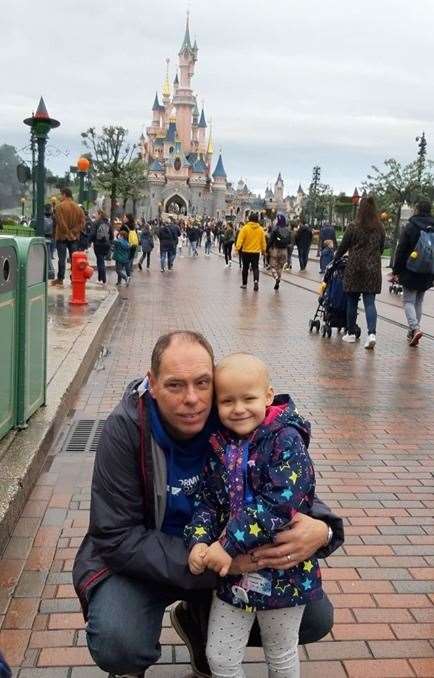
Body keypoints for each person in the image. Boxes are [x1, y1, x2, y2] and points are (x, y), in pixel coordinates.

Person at [73, 331, 343, 678]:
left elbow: (286, 483)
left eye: (202, 383)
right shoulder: (126, 429)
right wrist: (222, 563)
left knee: (313, 617)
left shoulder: (230, 414)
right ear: (151, 383)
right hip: (149, 561)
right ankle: (138, 654)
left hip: (219, 554)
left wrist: (323, 529)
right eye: (175, 385)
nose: (192, 399)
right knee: (118, 641)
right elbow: (115, 536)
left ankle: (196, 620)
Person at [186, 353, 324, 678]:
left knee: (280, 654)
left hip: (284, 573)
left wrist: (228, 543)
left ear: (268, 395)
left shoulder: (286, 441)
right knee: (219, 655)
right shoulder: (219, 444)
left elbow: (278, 502)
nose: (238, 408)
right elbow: (208, 500)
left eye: (248, 398)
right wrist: (198, 541)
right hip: (233, 575)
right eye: (227, 401)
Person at [335, 196, 385, 349]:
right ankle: (372, 334)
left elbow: (343, 247)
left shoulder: (353, 226)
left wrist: (336, 256)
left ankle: (350, 333)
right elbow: (382, 248)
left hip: (354, 268)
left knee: (352, 302)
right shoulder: (380, 227)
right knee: (370, 303)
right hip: (372, 269)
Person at [392, 199, 434, 346]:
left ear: (416, 210)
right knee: (419, 301)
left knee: (409, 301)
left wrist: (396, 270)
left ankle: (415, 329)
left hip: (410, 269)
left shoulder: (411, 226)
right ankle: (412, 332)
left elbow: (401, 250)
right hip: (428, 271)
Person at [51, 187, 85, 287]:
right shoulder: (78, 208)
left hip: (62, 237)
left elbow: (61, 223)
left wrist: (67, 233)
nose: (60, 197)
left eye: (61, 195)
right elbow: (82, 223)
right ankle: (74, 278)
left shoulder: (59, 207)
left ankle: (60, 278)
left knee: (61, 258)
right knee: (74, 259)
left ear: (64, 194)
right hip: (74, 238)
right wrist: (73, 233)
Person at [236, 212, 266, 291]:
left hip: (246, 251)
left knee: (245, 268)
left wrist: (237, 248)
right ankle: (256, 282)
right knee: (255, 267)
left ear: (249, 219)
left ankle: (244, 284)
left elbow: (240, 239)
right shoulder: (261, 229)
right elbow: (263, 241)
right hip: (256, 252)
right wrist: (263, 250)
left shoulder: (245, 228)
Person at [267, 214, 292, 290]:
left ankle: (276, 277)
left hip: (275, 250)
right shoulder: (288, 230)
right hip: (284, 251)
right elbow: (289, 242)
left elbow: (270, 241)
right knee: (280, 267)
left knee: (273, 266)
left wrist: (267, 249)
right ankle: (278, 278)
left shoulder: (275, 229)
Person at [91, 209, 113, 285]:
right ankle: (100, 279)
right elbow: (111, 235)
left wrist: (92, 241)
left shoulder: (96, 223)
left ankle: (103, 279)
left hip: (98, 245)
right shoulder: (108, 223)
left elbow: (93, 234)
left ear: (100, 214)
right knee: (101, 260)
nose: (95, 215)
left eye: (96, 214)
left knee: (100, 262)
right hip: (106, 245)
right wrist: (109, 242)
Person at [43, 204, 55, 280]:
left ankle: (50, 272)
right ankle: (50, 271)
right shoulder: (52, 219)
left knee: (47, 256)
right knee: (48, 256)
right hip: (50, 239)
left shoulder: (43, 219)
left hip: (45, 238)